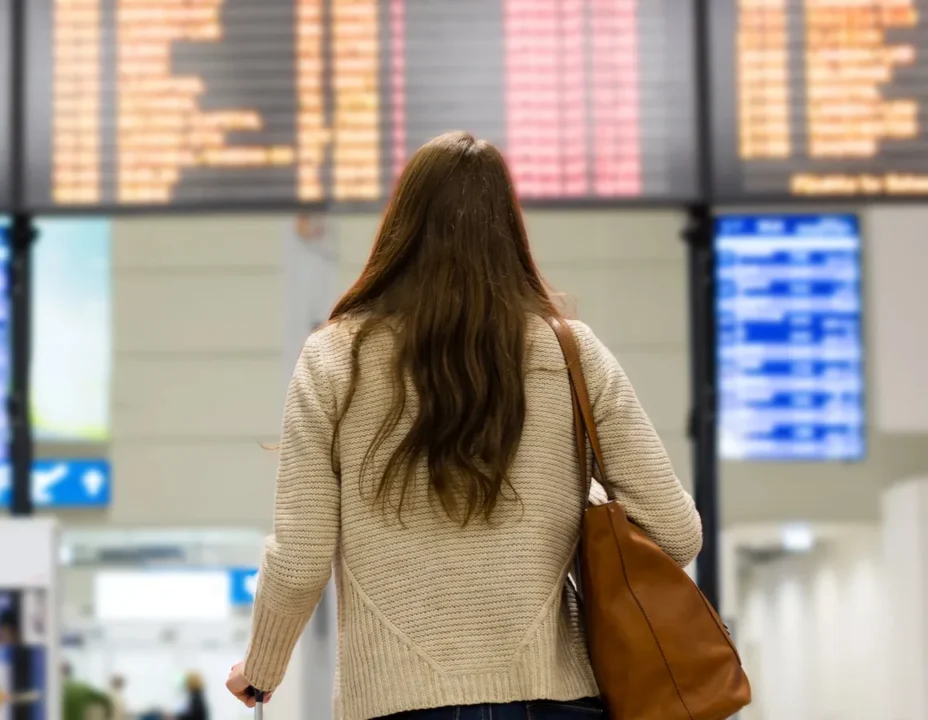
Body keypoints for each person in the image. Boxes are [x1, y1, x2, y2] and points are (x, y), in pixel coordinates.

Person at [224, 131, 703, 720]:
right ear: (509, 230)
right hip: (556, 700)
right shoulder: (571, 352)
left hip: (397, 704)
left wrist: (261, 671)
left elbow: (301, 561)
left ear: (402, 227)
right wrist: (573, 490)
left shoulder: (334, 359)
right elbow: (677, 533)